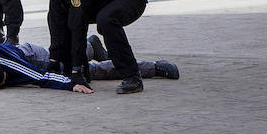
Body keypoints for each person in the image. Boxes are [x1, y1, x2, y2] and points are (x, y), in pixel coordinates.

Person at [25, 0, 150, 94]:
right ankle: (76, 69)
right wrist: (54, 60)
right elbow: (56, 22)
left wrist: (76, 70)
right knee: (59, 13)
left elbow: (78, 26)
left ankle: (132, 77)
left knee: (106, 20)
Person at [17, 35, 180, 81]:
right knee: (78, 63)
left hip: (29, 59)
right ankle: (90, 46)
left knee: (88, 71)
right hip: (25, 58)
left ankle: (154, 67)